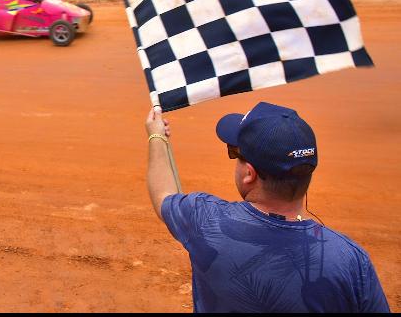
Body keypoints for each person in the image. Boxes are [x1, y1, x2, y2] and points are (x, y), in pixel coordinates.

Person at [145, 101, 390, 313]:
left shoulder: (205, 219)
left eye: (235, 154)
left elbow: (163, 194)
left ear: (249, 174)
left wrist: (156, 137)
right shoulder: (351, 261)